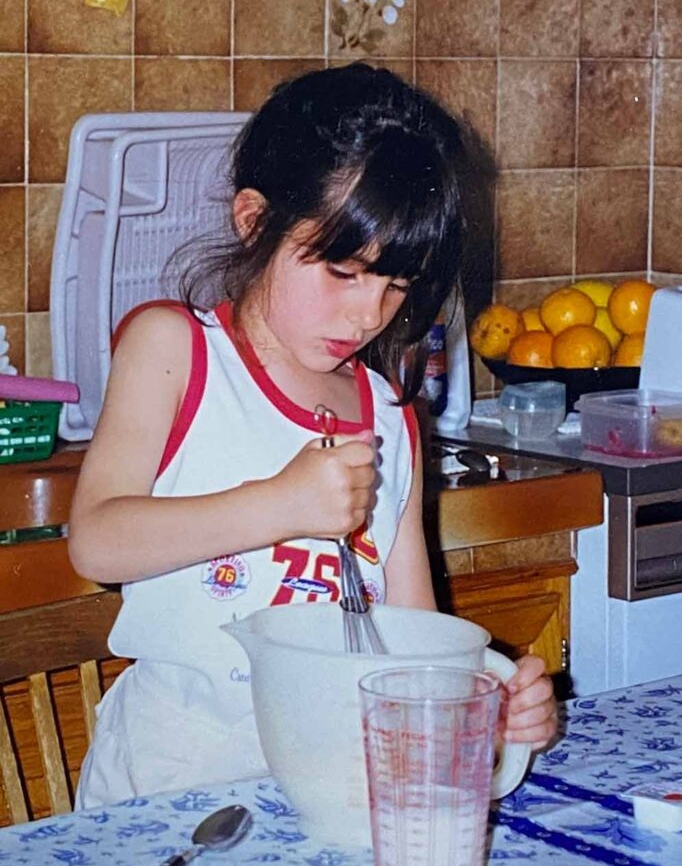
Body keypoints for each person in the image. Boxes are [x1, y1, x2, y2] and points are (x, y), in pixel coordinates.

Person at [69, 63, 557, 808]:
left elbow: (412, 633)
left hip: (330, 788)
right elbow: (96, 541)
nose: (370, 316)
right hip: (168, 792)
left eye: (396, 286)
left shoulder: (391, 416)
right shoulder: (175, 351)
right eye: (343, 272)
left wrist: (494, 695)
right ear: (255, 221)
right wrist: (281, 503)